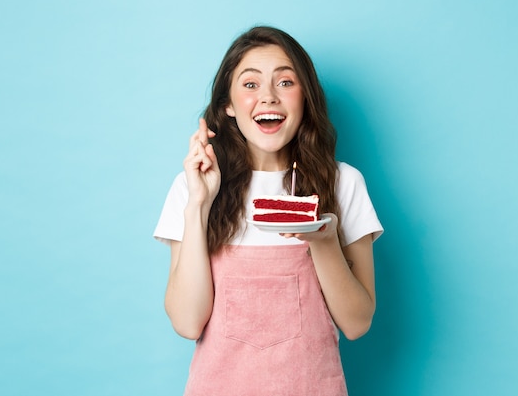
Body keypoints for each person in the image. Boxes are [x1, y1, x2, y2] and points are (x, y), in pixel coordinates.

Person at [153, 26, 383, 396]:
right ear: (227, 104)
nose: (269, 97)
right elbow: (187, 322)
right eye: (250, 84)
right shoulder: (191, 187)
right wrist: (200, 203)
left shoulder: (344, 184)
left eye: (286, 82)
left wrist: (323, 241)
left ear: (305, 97)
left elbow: (357, 323)